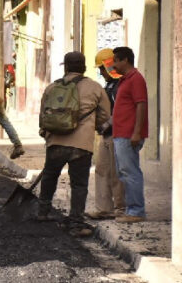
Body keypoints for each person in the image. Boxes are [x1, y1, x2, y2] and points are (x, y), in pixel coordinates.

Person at [37, 52, 110, 236]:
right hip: (82, 144)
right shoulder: (95, 87)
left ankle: (43, 211)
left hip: (55, 142)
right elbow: (104, 116)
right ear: (84, 67)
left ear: (66, 67)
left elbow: (43, 114)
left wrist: (47, 132)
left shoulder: (52, 87)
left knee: (49, 176)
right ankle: (76, 222)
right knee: (78, 184)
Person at [111, 46, 148, 223]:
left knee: (130, 171)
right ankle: (130, 209)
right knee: (124, 172)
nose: (113, 65)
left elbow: (141, 105)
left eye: (116, 61)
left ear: (125, 60)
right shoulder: (125, 79)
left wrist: (137, 132)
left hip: (128, 134)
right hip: (121, 133)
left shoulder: (136, 79)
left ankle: (136, 212)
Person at [87, 48, 126, 220]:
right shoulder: (109, 86)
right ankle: (104, 208)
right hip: (106, 136)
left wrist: (106, 124)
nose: (101, 73)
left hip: (117, 135)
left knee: (116, 174)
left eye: (102, 68)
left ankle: (120, 208)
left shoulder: (120, 86)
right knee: (102, 170)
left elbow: (121, 113)